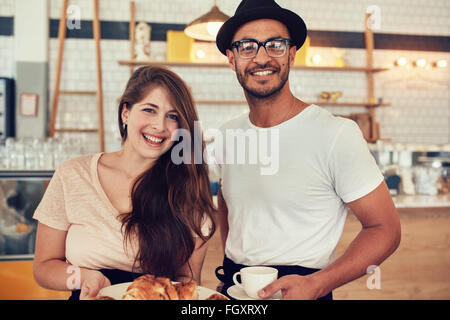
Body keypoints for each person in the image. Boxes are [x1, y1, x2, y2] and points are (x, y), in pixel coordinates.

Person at [212, 0, 401, 300]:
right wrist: (232, 269)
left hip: (306, 292)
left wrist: (319, 283)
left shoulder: (336, 134)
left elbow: (385, 229)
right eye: (247, 46)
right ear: (232, 59)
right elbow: (227, 202)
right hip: (237, 291)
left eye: (274, 45)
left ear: (291, 53)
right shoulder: (226, 135)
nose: (262, 57)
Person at [33, 66, 216, 300]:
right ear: (125, 113)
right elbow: (44, 267)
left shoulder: (187, 191)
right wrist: (84, 277)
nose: (160, 126)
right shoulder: (72, 174)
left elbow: (186, 286)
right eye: (149, 110)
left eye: (172, 116)